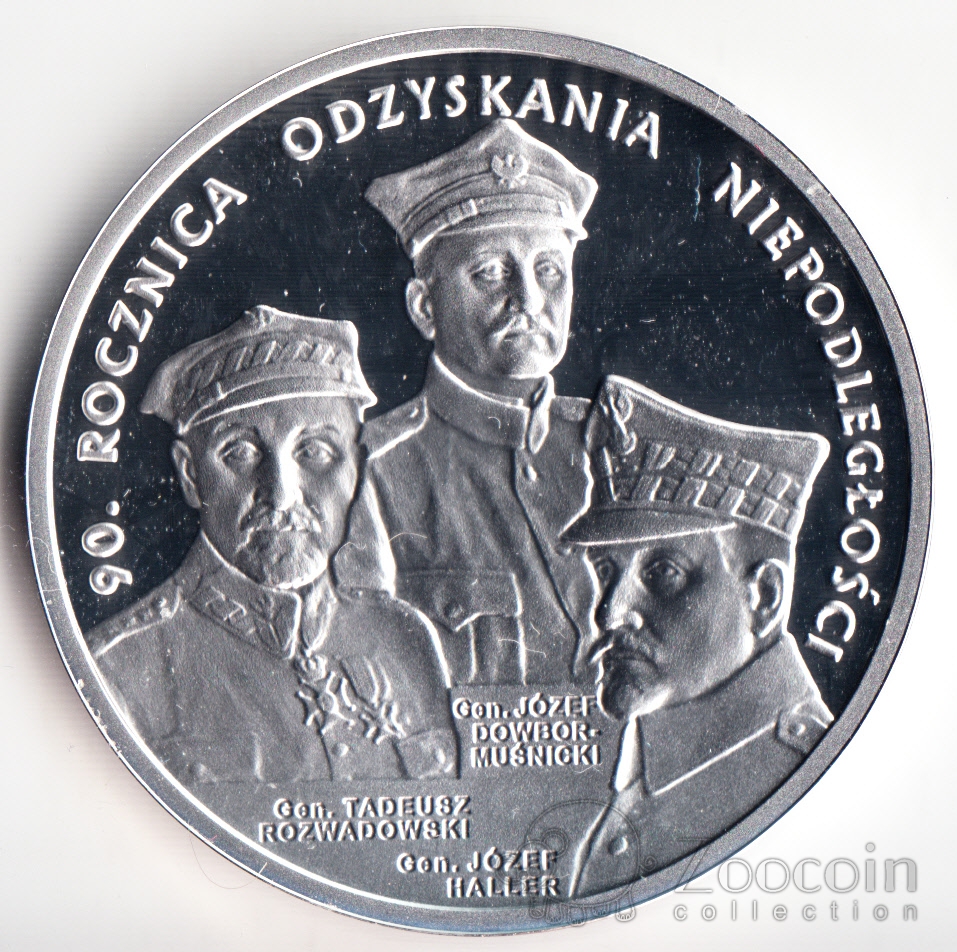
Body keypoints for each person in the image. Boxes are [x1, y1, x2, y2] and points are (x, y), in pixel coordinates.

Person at [86, 306, 457, 786]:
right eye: (240, 453)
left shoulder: (405, 640)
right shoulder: (119, 668)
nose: (281, 496)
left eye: (314, 451)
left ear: (358, 468)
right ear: (190, 474)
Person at [350, 118, 599, 685]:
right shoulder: (368, 471)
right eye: (490, 272)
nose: (528, 299)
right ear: (424, 308)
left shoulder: (621, 449)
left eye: (548, 270)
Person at [563, 376, 833, 897]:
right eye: (605, 571)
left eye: (663, 574)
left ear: (764, 597)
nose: (610, 613)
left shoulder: (806, 777)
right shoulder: (645, 771)